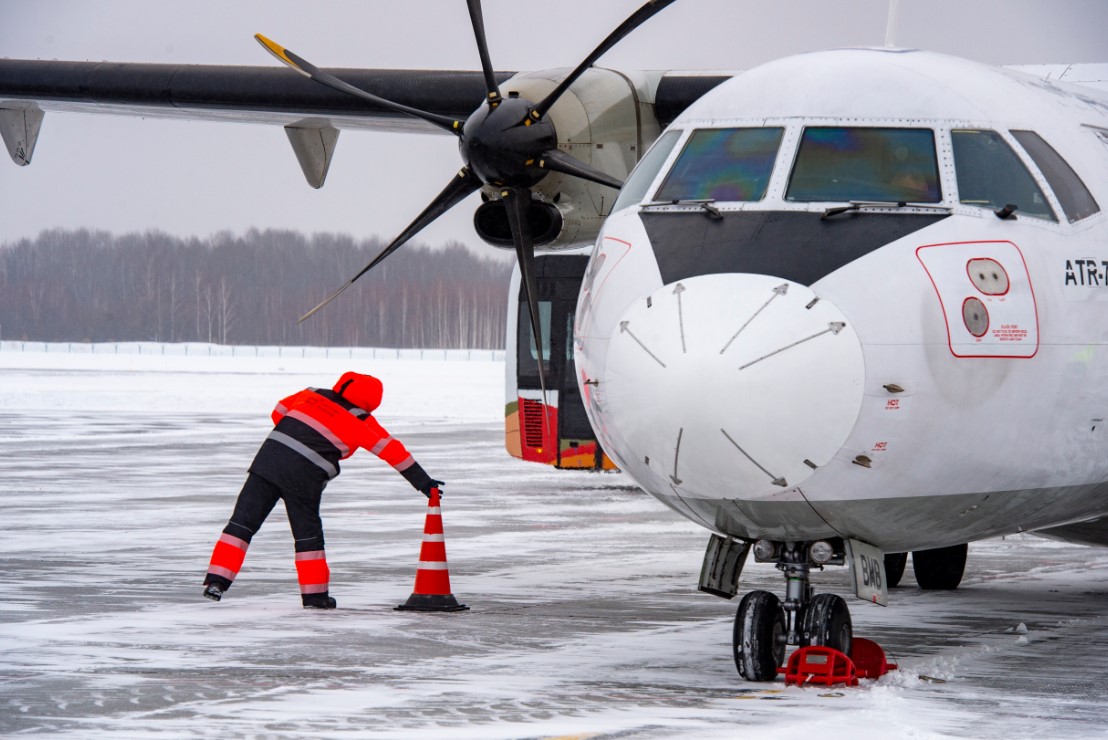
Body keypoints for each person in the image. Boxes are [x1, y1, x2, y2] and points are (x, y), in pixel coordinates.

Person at [202, 371, 443, 609]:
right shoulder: (361, 420)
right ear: (371, 402)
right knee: (308, 536)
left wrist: (298, 433)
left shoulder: (311, 394)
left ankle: (217, 581)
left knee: (241, 524)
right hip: (304, 477)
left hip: (268, 462)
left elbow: (278, 411)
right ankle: (315, 597)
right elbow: (393, 452)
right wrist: (424, 483)